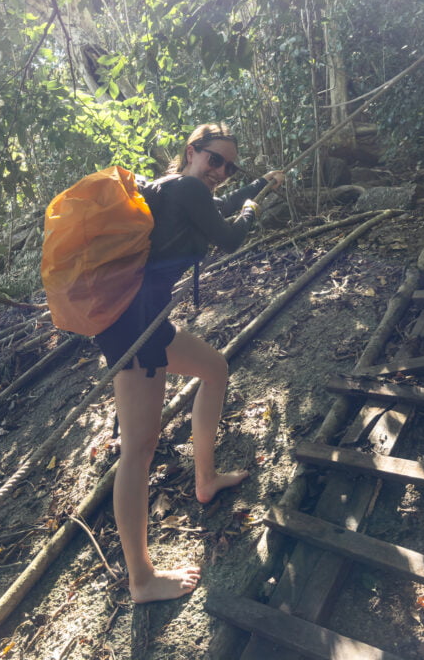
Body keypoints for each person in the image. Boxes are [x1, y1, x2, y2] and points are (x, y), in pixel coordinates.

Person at [93, 123, 285, 603]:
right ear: (192, 151)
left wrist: (258, 184)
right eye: (214, 160)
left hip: (143, 319)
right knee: (138, 450)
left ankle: (205, 480)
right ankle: (141, 579)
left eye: (229, 167)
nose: (220, 171)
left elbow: (216, 206)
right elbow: (230, 235)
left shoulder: (176, 188)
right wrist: (255, 207)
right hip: (134, 326)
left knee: (214, 368)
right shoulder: (187, 189)